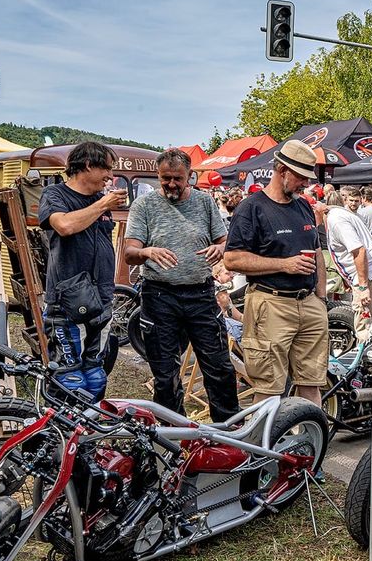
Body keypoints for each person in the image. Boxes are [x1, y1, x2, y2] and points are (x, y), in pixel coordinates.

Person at [123, 149, 238, 422]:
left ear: (190, 177)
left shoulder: (204, 202)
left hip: (200, 293)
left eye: (177, 178)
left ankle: (228, 432)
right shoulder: (145, 206)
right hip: (159, 295)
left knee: (219, 366)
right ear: (158, 176)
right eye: (165, 179)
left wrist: (219, 249)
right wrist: (148, 252)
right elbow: (129, 252)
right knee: (165, 373)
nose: (171, 184)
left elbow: (225, 241)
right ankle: (173, 434)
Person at [223, 141, 328, 404]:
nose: (305, 184)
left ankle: (311, 443)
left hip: (309, 304)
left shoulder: (303, 205)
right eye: (301, 177)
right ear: (282, 170)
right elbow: (232, 259)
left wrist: (321, 298)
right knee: (269, 388)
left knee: (312, 383)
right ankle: (263, 444)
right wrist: (284, 264)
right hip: (271, 304)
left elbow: (316, 253)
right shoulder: (251, 208)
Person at [37, 141, 122, 397]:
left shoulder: (99, 199)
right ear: (87, 165)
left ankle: (90, 434)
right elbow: (64, 226)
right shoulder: (55, 195)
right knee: (69, 378)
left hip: (102, 299)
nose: (110, 176)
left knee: (96, 376)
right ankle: (59, 435)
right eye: (106, 168)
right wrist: (103, 206)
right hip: (67, 302)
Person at [325, 191, 372, 340]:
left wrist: (362, 286)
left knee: (366, 321)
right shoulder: (343, 216)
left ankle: (367, 357)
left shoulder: (336, 220)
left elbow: (359, 251)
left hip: (371, 273)